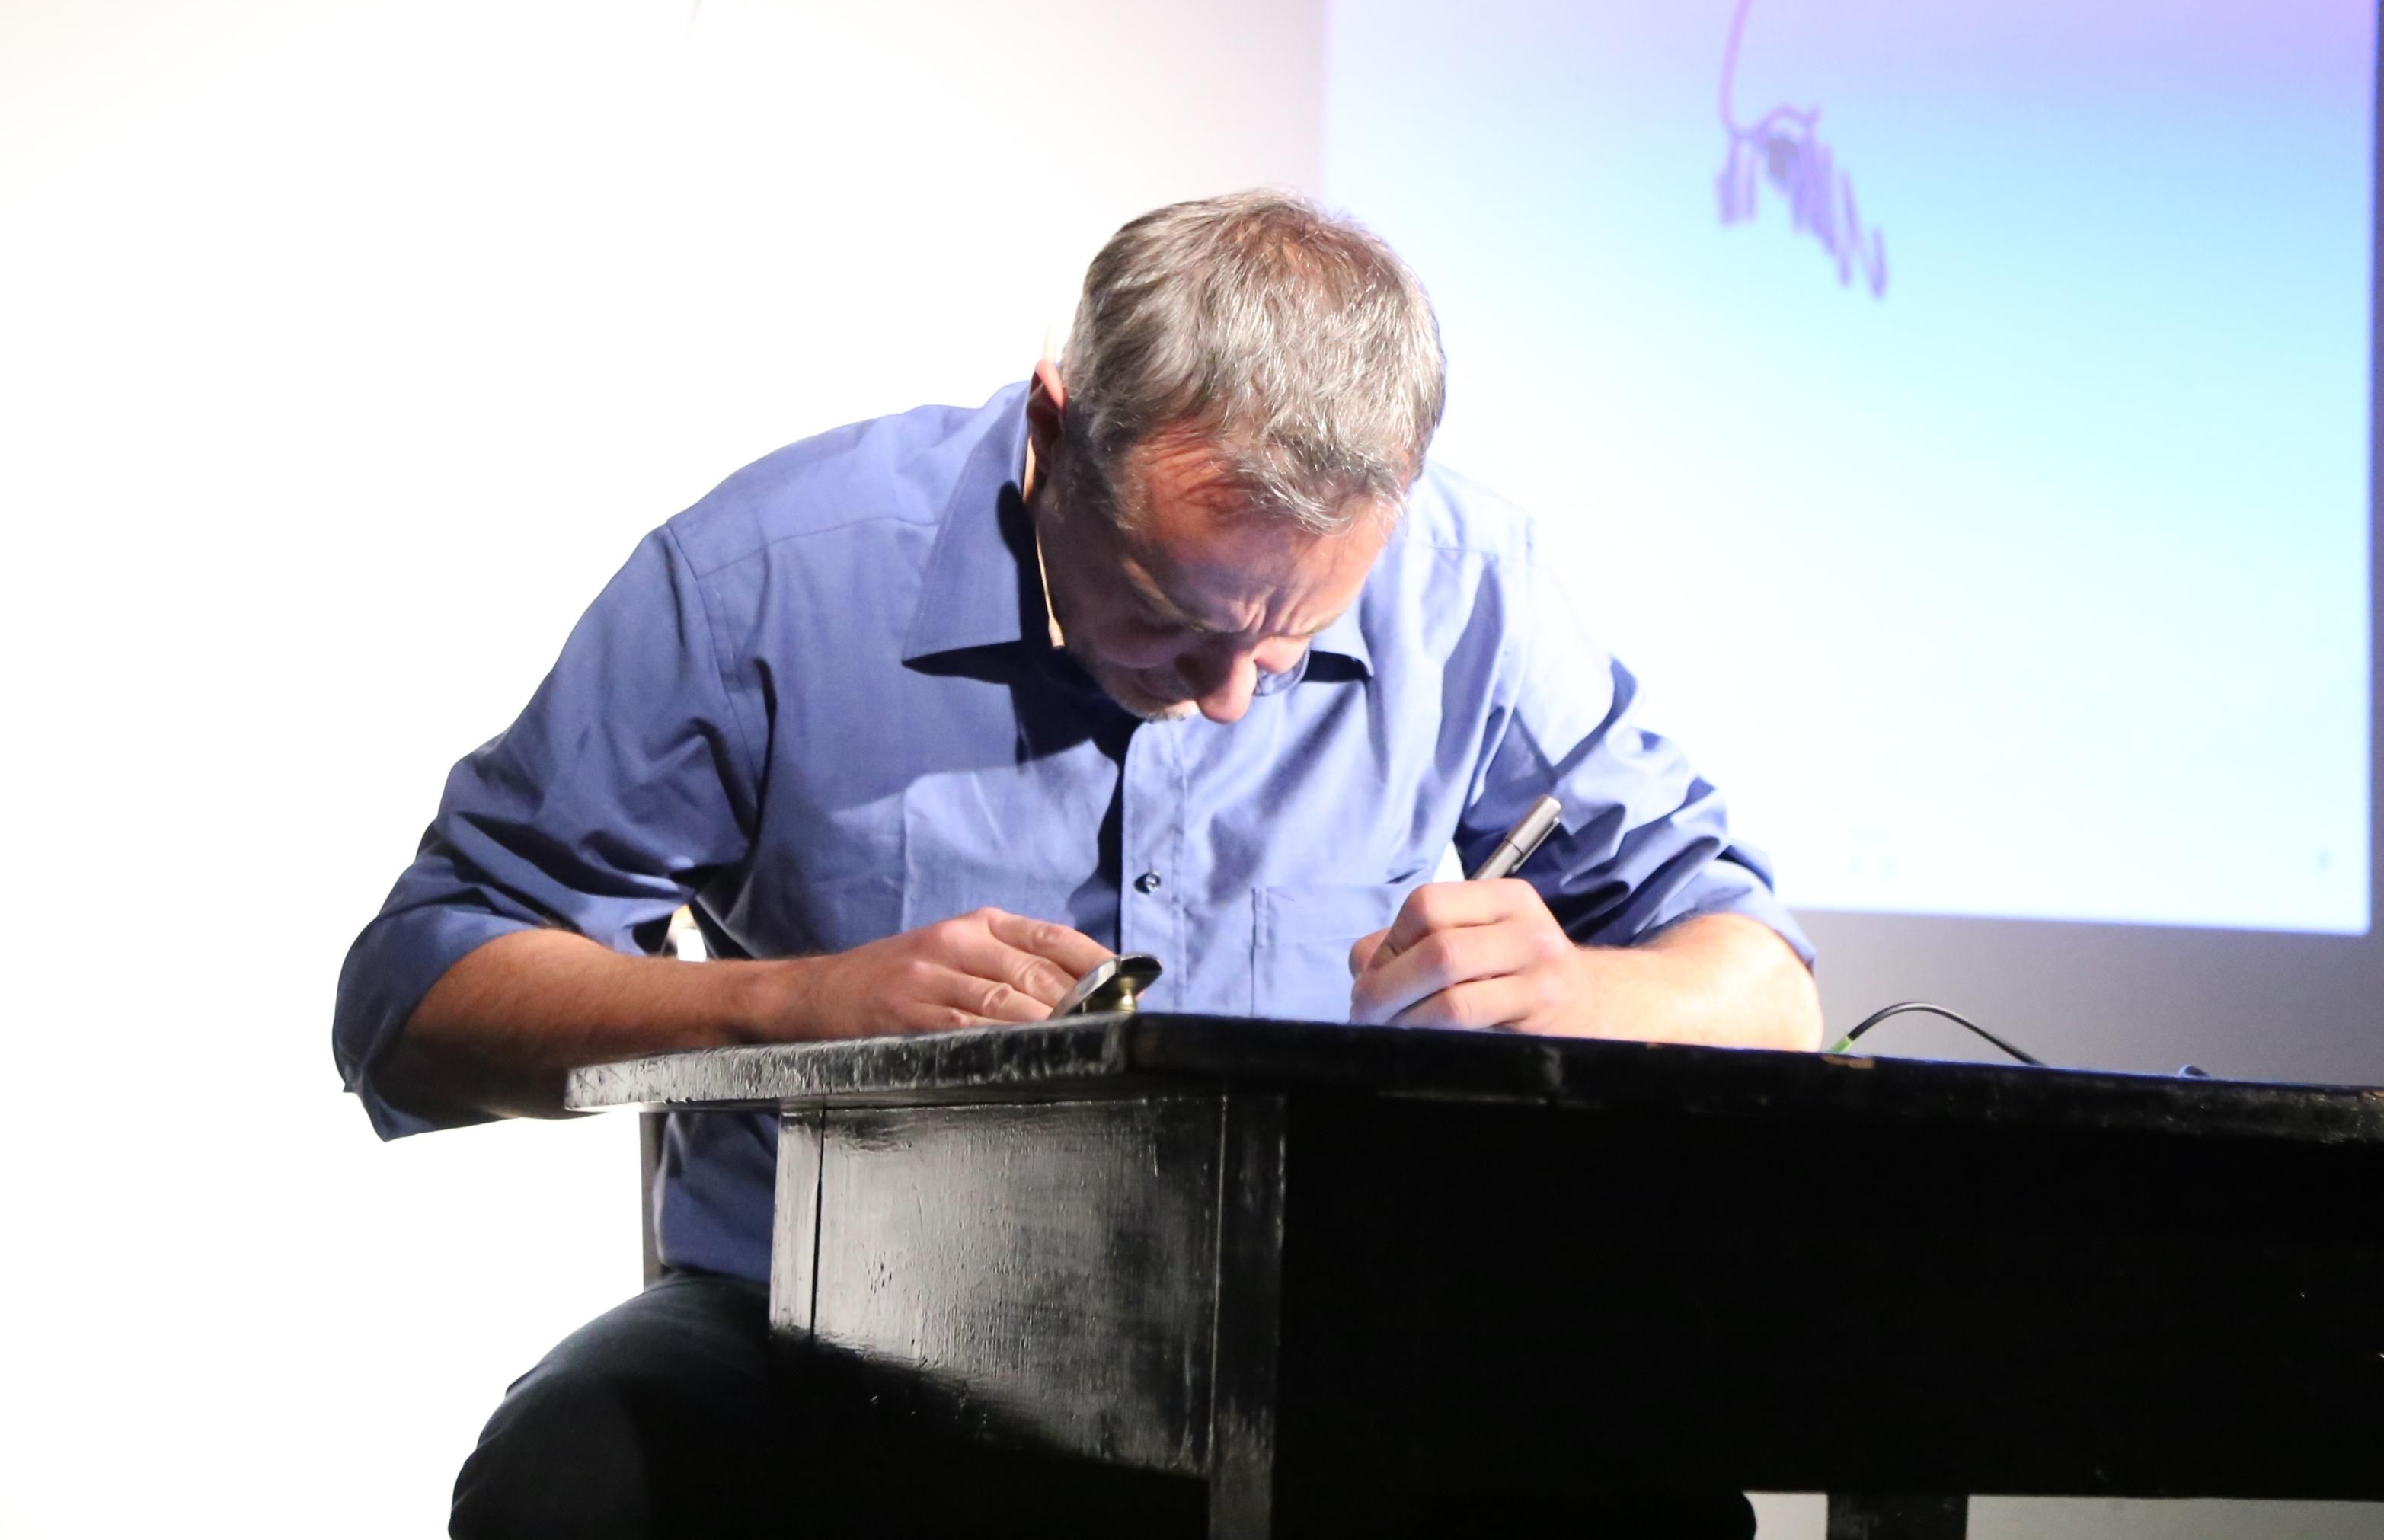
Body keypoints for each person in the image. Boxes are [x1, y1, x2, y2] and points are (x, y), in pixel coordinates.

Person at [334, 190, 1817, 1538]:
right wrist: (795, 1010)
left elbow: (1761, 979)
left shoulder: (1467, 586)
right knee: (580, 1475)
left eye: (1294, 641)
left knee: (1653, 1507)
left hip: (1306, 1336)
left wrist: (1581, 993)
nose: (1228, 696)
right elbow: (415, 998)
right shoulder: (766, 579)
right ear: (1054, 431)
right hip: (824, 1328)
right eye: (1171, 615)